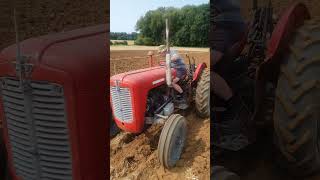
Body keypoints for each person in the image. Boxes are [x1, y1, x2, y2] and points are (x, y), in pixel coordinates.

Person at [211, 0, 246, 119]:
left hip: (224, 24)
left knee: (207, 71)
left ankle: (233, 106)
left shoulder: (221, 21)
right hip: (229, 23)